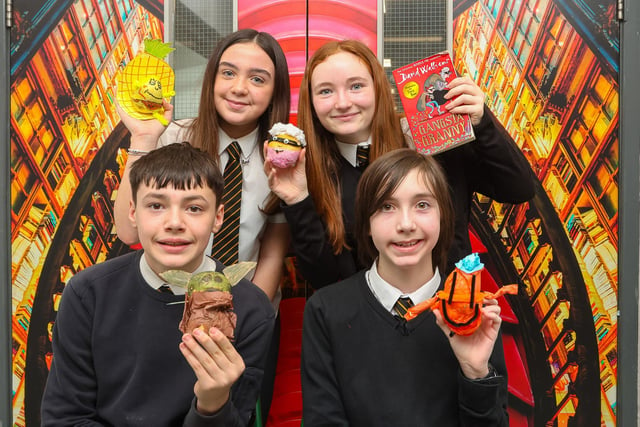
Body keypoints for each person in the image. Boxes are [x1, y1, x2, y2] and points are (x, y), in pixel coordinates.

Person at [265, 39, 534, 289]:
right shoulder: (309, 172)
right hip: (372, 329)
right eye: (325, 91)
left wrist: (482, 122)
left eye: (356, 86)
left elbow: (518, 189)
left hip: (451, 315)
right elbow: (324, 279)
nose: (343, 102)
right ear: (311, 103)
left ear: (378, 88)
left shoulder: (432, 138)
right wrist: (299, 199)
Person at [41, 142, 275, 426]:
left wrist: (212, 403)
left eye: (194, 208)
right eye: (155, 205)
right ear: (132, 213)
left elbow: (238, 419)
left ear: (218, 217)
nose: (174, 222)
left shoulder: (250, 310)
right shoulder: (87, 294)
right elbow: (65, 417)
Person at [301, 148, 509, 426]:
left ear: (443, 217)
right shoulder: (326, 311)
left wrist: (476, 373)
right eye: (386, 206)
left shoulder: (474, 312)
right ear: (366, 225)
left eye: (422, 205)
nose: (406, 224)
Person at [114, 28, 291, 303]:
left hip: (247, 307)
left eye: (257, 79)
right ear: (212, 79)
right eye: (228, 73)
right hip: (168, 304)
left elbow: (272, 254)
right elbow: (128, 230)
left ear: (274, 92)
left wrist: (247, 315)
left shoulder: (281, 159)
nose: (239, 88)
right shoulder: (172, 137)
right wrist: (143, 138)